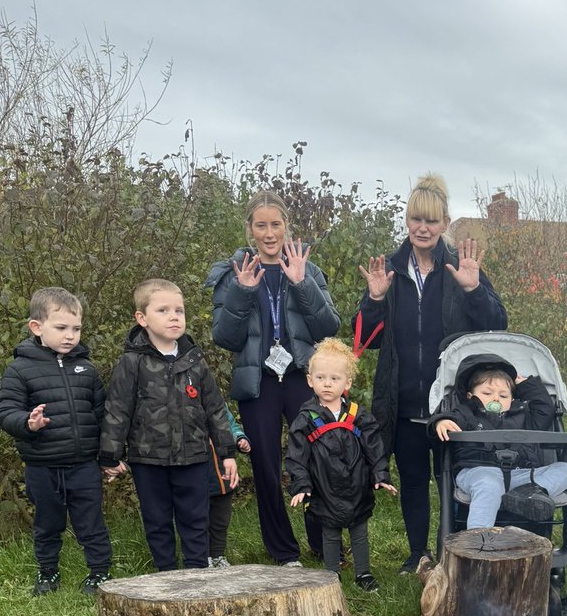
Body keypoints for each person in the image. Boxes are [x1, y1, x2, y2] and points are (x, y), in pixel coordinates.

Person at [355, 173, 507, 573]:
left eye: (431, 221)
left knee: (456, 479)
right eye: (415, 220)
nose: (422, 228)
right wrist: (374, 300)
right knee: (414, 478)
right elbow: (363, 339)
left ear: (444, 224)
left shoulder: (460, 266)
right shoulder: (388, 270)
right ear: (407, 222)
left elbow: (497, 324)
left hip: (452, 402)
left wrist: (474, 290)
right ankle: (418, 552)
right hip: (403, 398)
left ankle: (455, 549)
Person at [208, 190, 340, 566]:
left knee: (318, 456)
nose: (269, 233)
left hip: (301, 377)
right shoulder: (233, 272)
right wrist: (243, 293)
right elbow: (225, 338)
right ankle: (283, 551)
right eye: (261, 225)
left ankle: (323, 541)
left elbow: (328, 327)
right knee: (266, 466)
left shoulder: (307, 268)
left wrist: (301, 284)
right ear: (250, 228)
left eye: (276, 224)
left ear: (286, 227)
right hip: (259, 382)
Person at [99, 279, 237, 571]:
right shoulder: (131, 362)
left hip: (194, 457)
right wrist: (110, 456)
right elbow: (117, 410)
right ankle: (166, 574)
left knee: (195, 519)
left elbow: (215, 409)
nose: (174, 316)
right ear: (142, 318)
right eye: (163, 310)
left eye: (179, 310)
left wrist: (227, 453)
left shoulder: (195, 360)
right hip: (148, 459)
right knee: (157, 520)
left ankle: (197, 572)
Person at [0, 287, 113, 595]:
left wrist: (111, 456)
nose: (70, 335)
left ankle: (100, 573)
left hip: (84, 466)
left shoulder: (86, 369)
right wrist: (27, 423)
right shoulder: (20, 369)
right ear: (37, 327)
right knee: (48, 524)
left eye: (76, 329)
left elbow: (103, 416)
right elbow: (6, 411)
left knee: (91, 523)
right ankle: (47, 573)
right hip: (42, 466)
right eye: (61, 328)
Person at [285, 338, 396, 591]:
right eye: (321, 377)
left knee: (359, 531)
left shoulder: (358, 415)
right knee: (330, 533)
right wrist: (301, 484)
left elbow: (374, 448)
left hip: (356, 485)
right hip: (325, 488)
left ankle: (363, 573)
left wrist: (380, 475)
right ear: (310, 380)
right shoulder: (306, 419)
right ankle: (331, 576)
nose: (327, 383)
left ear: (347, 383)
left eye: (335, 379)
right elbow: (296, 456)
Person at [429, 353, 567, 529]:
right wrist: (441, 421)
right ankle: (478, 542)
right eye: (487, 393)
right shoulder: (466, 413)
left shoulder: (523, 415)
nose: (496, 398)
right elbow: (449, 419)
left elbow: (545, 410)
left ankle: (530, 494)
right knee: (489, 485)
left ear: (512, 399)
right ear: (469, 396)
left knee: (566, 471)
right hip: (479, 472)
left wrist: (526, 385)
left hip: (521, 476)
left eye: (503, 395)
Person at [208, 404, 250, 568]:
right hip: (195, 474)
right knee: (198, 519)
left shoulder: (216, 401)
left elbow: (230, 425)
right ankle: (203, 556)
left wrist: (240, 439)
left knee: (220, 520)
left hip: (222, 473)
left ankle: (218, 555)